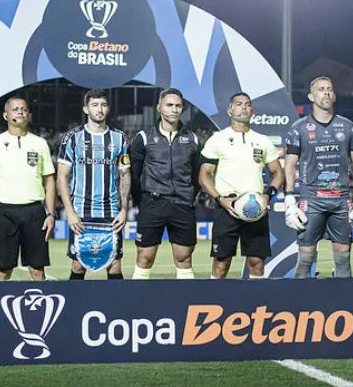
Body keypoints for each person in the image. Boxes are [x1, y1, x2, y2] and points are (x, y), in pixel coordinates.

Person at [283, 76, 353, 278]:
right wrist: (289, 200)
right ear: (311, 96)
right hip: (311, 200)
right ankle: (300, 307)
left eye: (330, 89)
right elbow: (289, 165)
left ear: (335, 95)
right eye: (321, 89)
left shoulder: (348, 127)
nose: (326, 92)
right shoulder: (299, 128)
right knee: (305, 261)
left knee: (343, 262)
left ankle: (343, 307)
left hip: (340, 200)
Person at [199, 92, 284, 279]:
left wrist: (267, 195)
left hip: (255, 209)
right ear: (230, 109)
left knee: (257, 263)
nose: (243, 107)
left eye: (247, 104)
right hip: (227, 207)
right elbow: (204, 176)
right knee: (221, 263)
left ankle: (255, 306)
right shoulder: (217, 139)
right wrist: (220, 200)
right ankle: (215, 302)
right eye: (238, 104)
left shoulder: (262, 140)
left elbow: (278, 173)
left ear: (252, 110)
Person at [0, 96, 56, 281]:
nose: (20, 111)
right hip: (3, 211)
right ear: (5, 115)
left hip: (34, 211)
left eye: (24, 109)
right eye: (15, 109)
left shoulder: (40, 143)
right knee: (3, 271)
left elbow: (49, 181)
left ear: (29, 115)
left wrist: (51, 214)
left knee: (37, 271)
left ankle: (43, 307)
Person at [57, 89, 131, 280]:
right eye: (95, 105)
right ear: (86, 109)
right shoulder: (72, 138)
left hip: (111, 212)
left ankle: (115, 310)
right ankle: (74, 309)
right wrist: (70, 212)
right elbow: (62, 177)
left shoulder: (119, 138)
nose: (100, 109)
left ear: (108, 109)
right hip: (81, 211)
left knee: (114, 265)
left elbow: (125, 175)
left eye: (104, 105)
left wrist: (124, 210)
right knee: (78, 265)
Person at [130, 88, 201, 280]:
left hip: (183, 205)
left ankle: (185, 305)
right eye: (169, 105)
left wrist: (188, 195)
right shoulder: (143, 138)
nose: (174, 109)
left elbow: (198, 176)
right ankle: (137, 303)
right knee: (145, 257)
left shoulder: (193, 139)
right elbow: (133, 175)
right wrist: (142, 201)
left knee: (184, 259)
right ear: (159, 107)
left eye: (178, 105)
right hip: (153, 203)